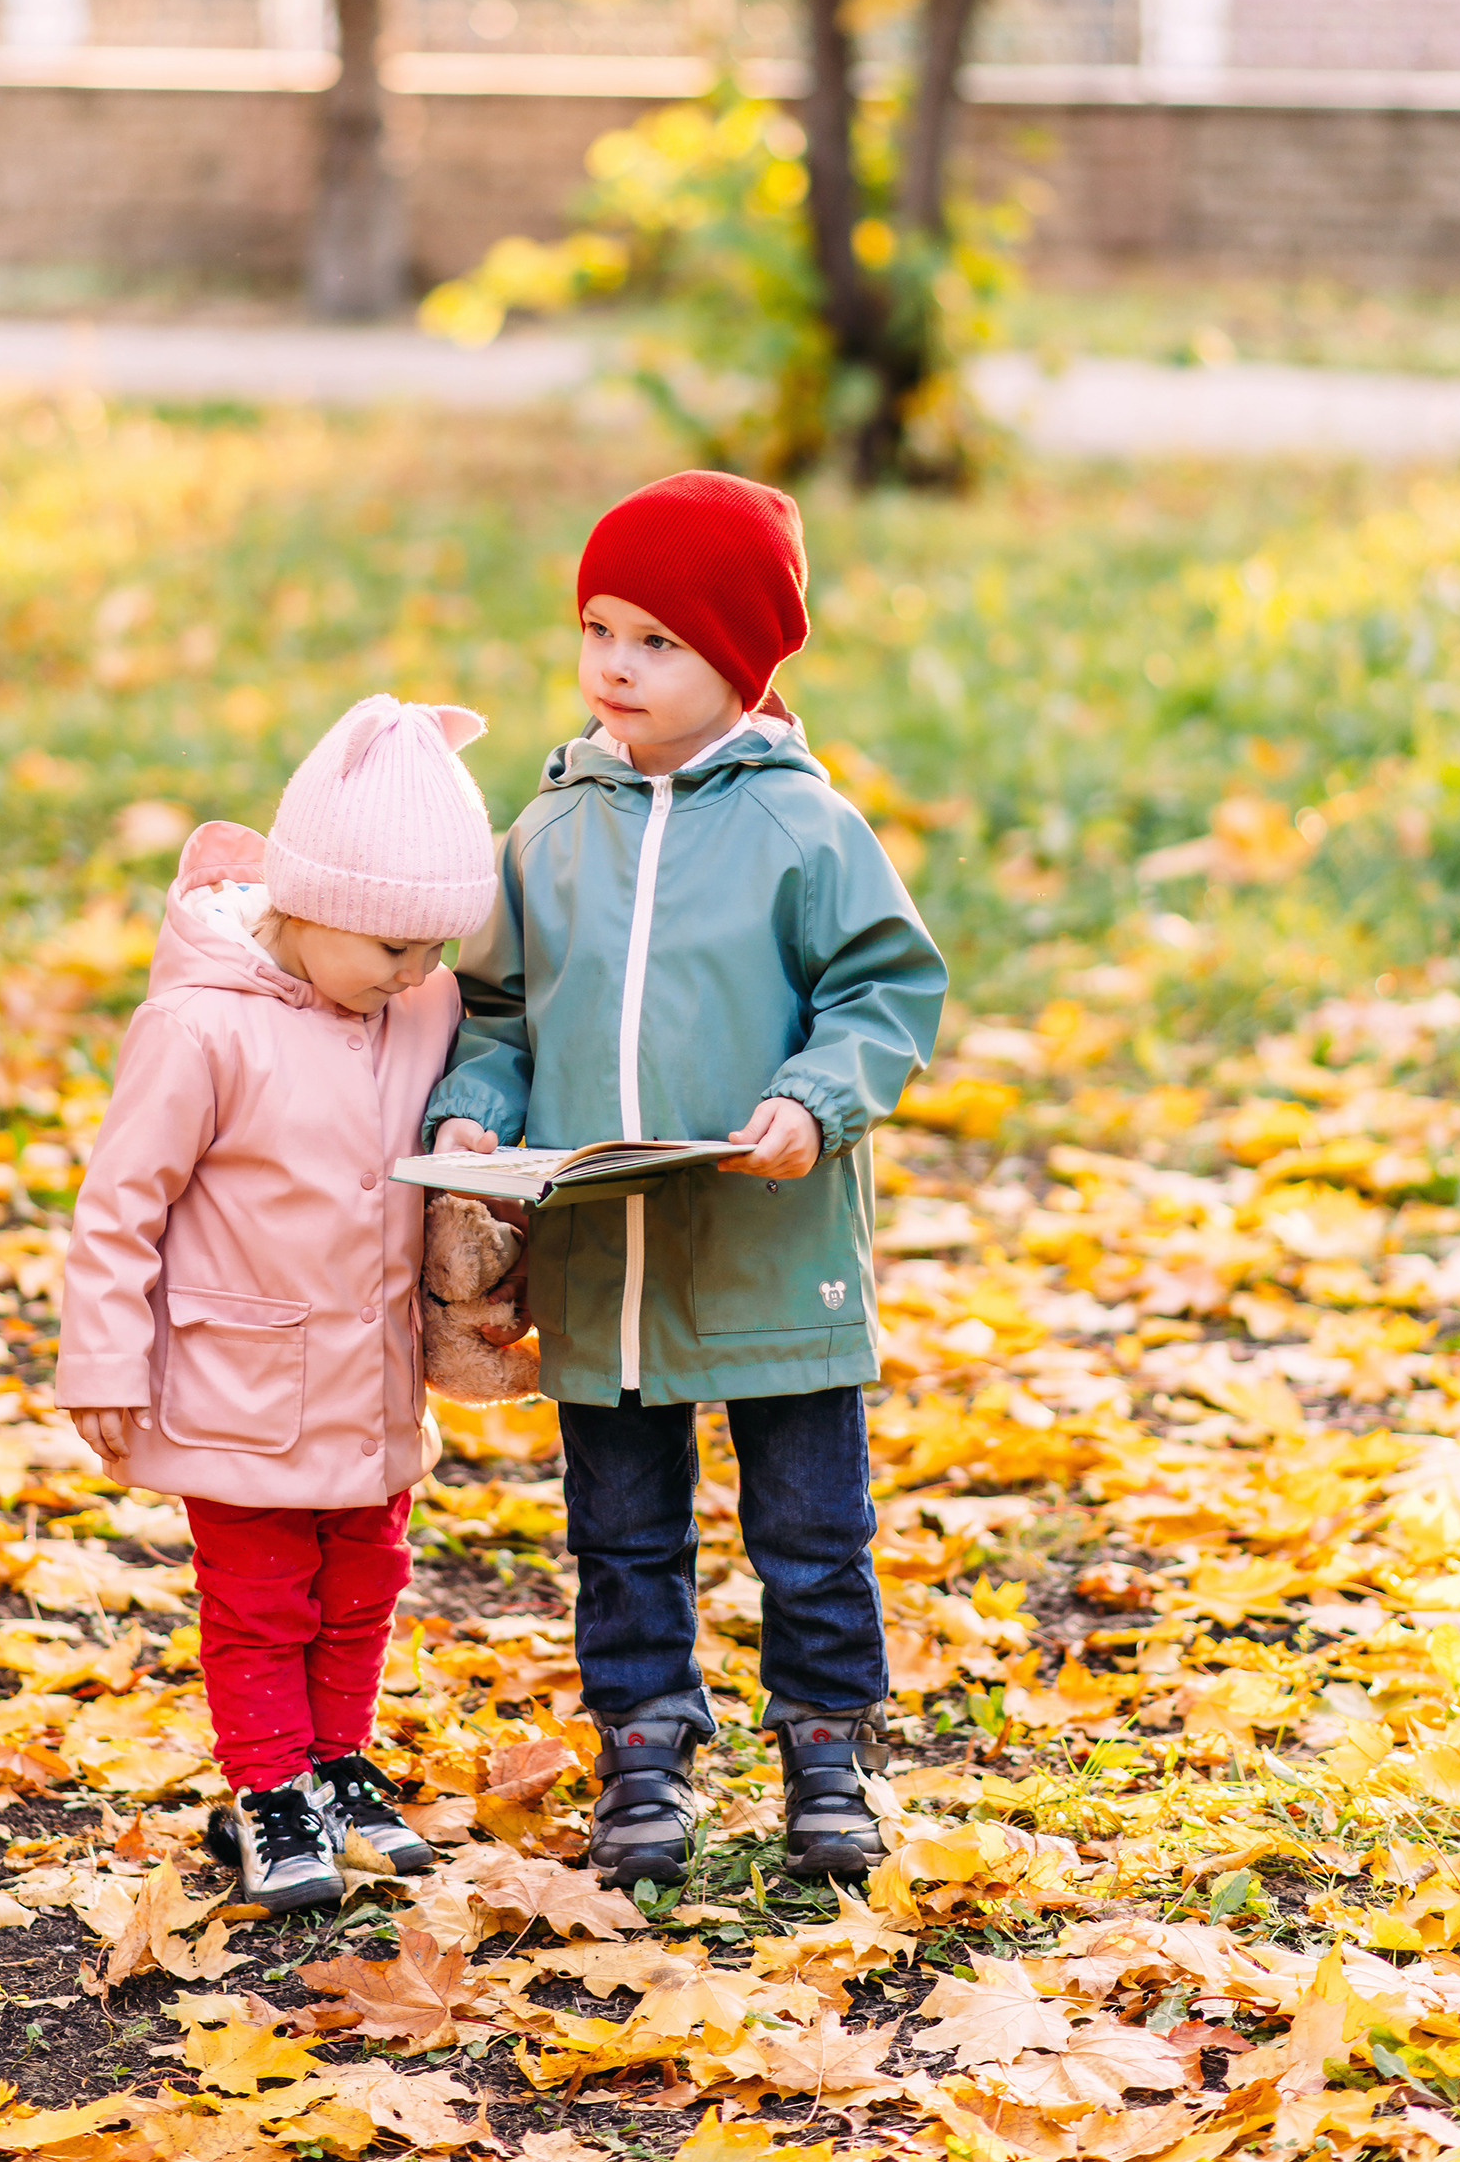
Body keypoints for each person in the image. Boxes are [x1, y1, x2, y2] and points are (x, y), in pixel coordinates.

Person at [426, 471, 946, 1888]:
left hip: (769, 1237)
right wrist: (476, 1119)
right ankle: (644, 1749)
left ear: (739, 660)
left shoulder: (805, 829)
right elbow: (495, 1017)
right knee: (622, 1529)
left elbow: (882, 994)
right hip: (607, 1260)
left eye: (655, 639)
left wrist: (816, 1098)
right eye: (599, 626)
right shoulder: (548, 830)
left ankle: (828, 1750)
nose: (613, 663)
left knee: (812, 1524)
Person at [55, 693, 497, 1914]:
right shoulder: (198, 1030)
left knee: (364, 1581)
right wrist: (103, 1357)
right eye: (392, 950)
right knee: (259, 1596)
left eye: (432, 950)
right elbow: (120, 1203)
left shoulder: (420, 1006)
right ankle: (265, 1789)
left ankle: (336, 1764)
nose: (417, 974)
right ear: (305, 905)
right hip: (235, 1377)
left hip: (370, 1378)